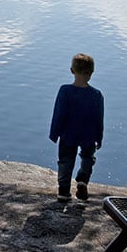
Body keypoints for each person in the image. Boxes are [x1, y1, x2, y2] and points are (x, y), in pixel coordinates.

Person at [49, 53, 104, 202]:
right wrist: (99, 138)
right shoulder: (96, 95)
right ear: (91, 73)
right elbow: (99, 118)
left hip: (68, 133)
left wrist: (54, 133)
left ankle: (64, 190)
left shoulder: (65, 91)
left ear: (72, 70)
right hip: (89, 134)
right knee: (87, 158)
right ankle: (82, 181)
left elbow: (59, 113)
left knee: (66, 160)